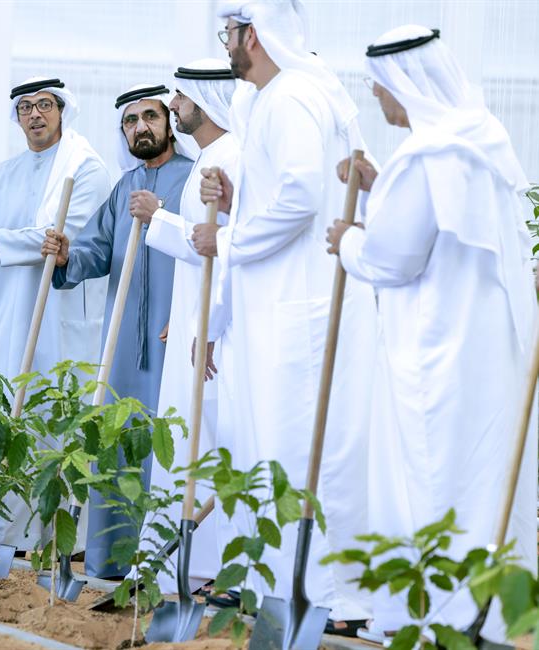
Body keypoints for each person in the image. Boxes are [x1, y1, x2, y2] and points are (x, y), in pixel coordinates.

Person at [325, 25, 537, 643]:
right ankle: (491, 614)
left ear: (406, 84)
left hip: (433, 354)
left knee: (429, 477)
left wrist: (348, 241)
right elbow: (445, 215)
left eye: (380, 84)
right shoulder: (482, 139)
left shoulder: (426, 156)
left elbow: (394, 259)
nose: (376, 94)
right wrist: (378, 182)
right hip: (489, 350)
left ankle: (429, 619)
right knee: (484, 477)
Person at [191, 0, 377, 631]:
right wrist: (239, 204)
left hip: (297, 312)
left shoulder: (293, 96)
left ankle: (327, 597)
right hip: (275, 308)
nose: (226, 44)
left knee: (301, 450)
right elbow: (283, 194)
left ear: (256, 33)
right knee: (273, 447)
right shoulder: (276, 99)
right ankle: (285, 586)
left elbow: (299, 198)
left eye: (230, 32)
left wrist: (229, 240)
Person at [0, 76, 110, 551]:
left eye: (43, 106)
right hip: (7, 313)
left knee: (52, 417)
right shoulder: (2, 173)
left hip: (59, 316)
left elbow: (60, 237)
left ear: (62, 110)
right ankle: (6, 531)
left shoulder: (87, 169)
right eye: (25, 108)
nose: (35, 115)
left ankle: (59, 539)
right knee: (6, 417)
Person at [41, 83, 193, 577]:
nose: (140, 127)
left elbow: (202, 249)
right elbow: (95, 251)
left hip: (176, 333)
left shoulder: (193, 179)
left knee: (167, 436)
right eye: (130, 121)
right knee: (116, 434)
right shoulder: (122, 187)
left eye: (149, 117)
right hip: (123, 336)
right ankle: (111, 557)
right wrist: (68, 255)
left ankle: (165, 561)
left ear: (169, 124)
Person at [135, 60, 240, 594]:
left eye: (180, 98)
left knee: (210, 440)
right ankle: (192, 566)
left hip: (216, 329)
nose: (175, 107)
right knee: (188, 439)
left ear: (206, 99)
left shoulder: (229, 158)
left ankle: (211, 567)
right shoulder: (213, 156)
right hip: (196, 318)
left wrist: (157, 215)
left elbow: (221, 245)